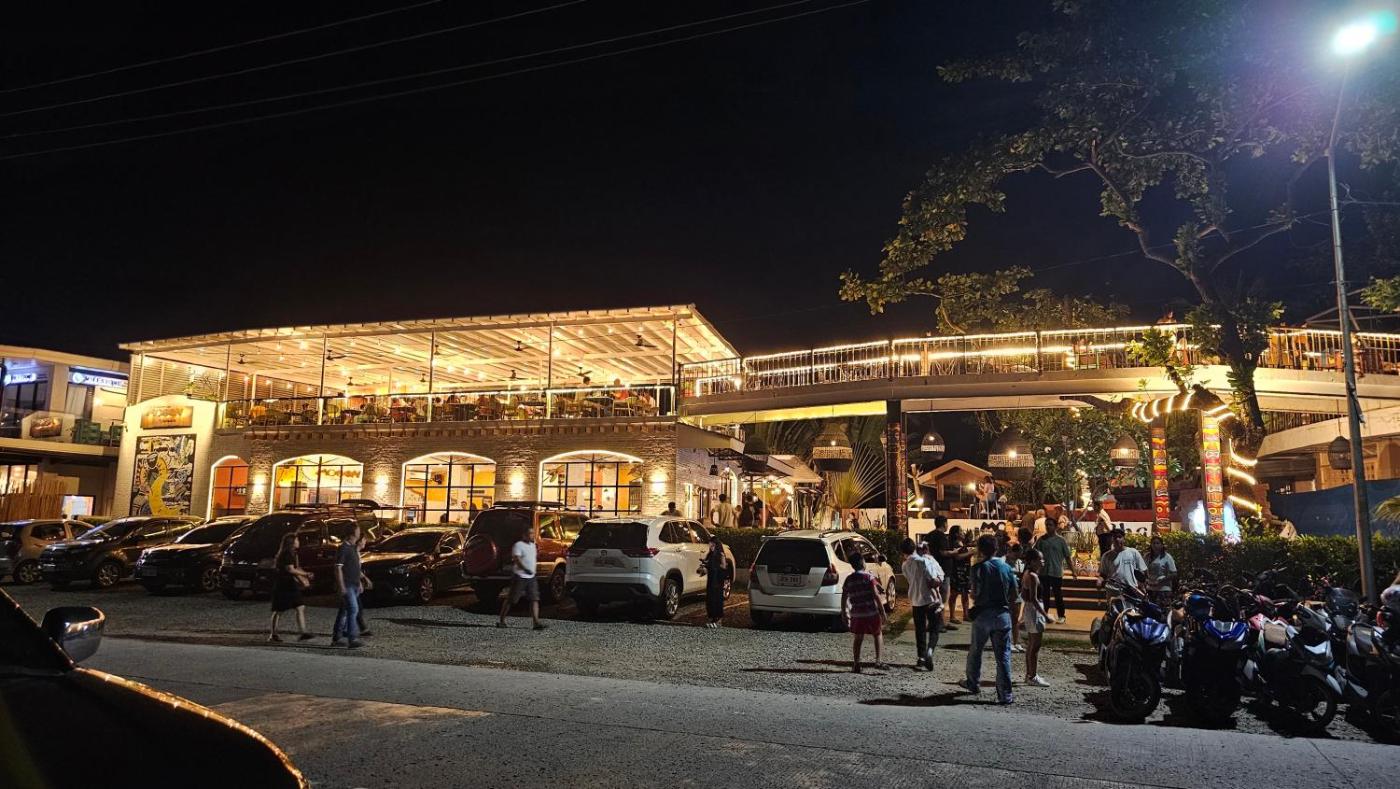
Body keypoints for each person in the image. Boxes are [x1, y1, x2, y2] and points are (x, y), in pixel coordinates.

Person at [962, 534, 1018, 704]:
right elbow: (1014, 594)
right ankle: (1005, 695)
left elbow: (974, 593)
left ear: (980, 549)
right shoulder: (1006, 568)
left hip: (983, 615)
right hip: (1002, 615)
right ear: (996, 548)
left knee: (976, 651)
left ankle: (973, 683)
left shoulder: (978, 568)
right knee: (1003, 657)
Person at [900, 537, 944, 671]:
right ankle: (930, 650)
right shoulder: (924, 561)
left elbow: (909, 580)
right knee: (935, 628)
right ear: (914, 548)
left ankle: (921, 658)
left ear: (903, 551)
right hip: (930, 599)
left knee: (920, 630)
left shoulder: (904, 565)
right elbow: (933, 579)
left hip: (915, 600)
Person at [840, 553, 887, 672]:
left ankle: (856, 664)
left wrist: (844, 613)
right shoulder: (869, 577)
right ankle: (878, 661)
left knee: (858, 637)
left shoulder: (849, 579)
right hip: (871, 613)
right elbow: (876, 595)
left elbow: (844, 597)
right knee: (877, 634)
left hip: (857, 614)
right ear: (862, 563)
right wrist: (882, 611)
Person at [268, 533, 314, 643]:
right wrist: (305, 575)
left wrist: (304, 576)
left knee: (300, 606)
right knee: (279, 610)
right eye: (297, 540)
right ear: (292, 543)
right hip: (284, 585)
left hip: (289, 584)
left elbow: (296, 568)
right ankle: (273, 634)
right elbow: (290, 569)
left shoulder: (292, 554)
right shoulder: (287, 554)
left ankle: (303, 632)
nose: (299, 542)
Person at [498, 524, 545, 630]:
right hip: (520, 576)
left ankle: (536, 622)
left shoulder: (533, 546)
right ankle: (502, 620)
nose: (532, 535)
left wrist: (533, 571)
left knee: (534, 599)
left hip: (531, 576)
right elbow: (517, 559)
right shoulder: (518, 545)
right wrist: (525, 569)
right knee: (512, 599)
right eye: (530, 533)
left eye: (533, 533)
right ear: (524, 535)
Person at [332, 524, 370, 648]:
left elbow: (355, 568)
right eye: (358, 531)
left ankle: (337, 637)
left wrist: (359, 582)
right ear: (352, 533)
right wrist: (341, 586)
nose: (360, 533)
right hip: (347, 585)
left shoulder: (352, 548)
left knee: (345, 611)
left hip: (353, 585)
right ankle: (352, 638)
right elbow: (338, 568)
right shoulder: (343, 548)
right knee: (353, 609)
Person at [1020, 548, 1050, 687]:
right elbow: (1034, 598)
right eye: (1040, 559)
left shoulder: (1027, 573)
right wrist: (1046, 615)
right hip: (1034, 612)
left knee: (1031, 645)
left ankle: (1030, 674)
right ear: (1032, 561)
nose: (1043, 561)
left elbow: (1025, 595)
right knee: (1035, 645)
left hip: (1030, 610)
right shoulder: (1032, 576)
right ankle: (1032, 676)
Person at [1036, 518, 1076, 623]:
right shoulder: (1041, 540)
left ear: (1055, 526)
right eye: (1046, 525)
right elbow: (1035, 554)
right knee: (1045, 595)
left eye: (1050, 525)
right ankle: (1044, 615)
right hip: (1044, 572)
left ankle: (1061, 615)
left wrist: (1073, 571)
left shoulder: (1061, 540)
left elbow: (1067, 557)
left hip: (1056, 572)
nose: (1048, 527)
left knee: (1058, 595)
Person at [924, 516, 956, 631]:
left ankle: (938, 622)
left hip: (931, 571)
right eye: (947, 523)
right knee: (941, 598)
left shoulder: (929, 535)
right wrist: (954, 552)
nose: (947, 525)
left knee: (933, 598)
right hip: (942, 571)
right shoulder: (941, 536)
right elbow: (943, 553)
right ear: (944, 524)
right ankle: (938, 624)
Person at [702, 536, 732, 628]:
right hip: (711, 578)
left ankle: (718, 619)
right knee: (710, 599)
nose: (710, 547)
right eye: (710, 545)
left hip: (718, 579)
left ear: (716, 545)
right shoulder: (709, 555)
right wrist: (704, 567)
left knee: (717, 598)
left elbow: (724, 566)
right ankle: (711, 618)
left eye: (712, 545)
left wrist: (715, 565)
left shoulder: (720, 554)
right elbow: (705, 564)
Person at [946, 525, 973, 625]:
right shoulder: (955, 544)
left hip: (965, 571)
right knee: (954, 593)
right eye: (961, 531)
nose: (963, 533)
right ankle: (952, 616)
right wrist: (970, 553)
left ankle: (965, 615)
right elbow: (957, 557)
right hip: (957, 571)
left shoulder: (962, 543)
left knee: (965, 593)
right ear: (956, 534)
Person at [1144, 535, 1178, 605]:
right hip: (1150, 590)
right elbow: (1143, 571)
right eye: (1153, 543)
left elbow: (1174, 574)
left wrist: (1161, 580)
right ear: (1151, 545)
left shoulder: (1167, 557)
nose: (1155, 545)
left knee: (1163, 611)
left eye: (1158, 543)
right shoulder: (1147, 556)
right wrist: (1145, 580)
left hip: (1163, 590)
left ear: (1162, 545)